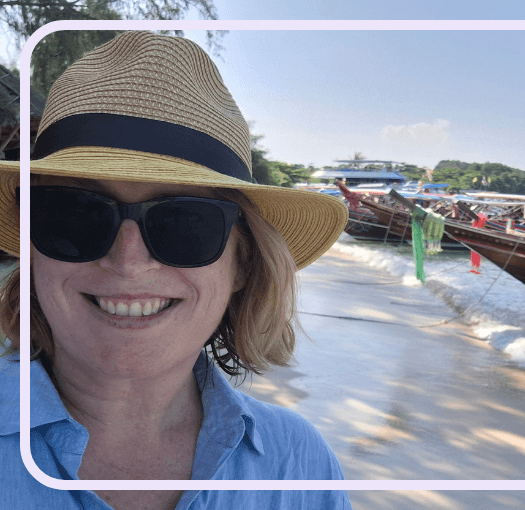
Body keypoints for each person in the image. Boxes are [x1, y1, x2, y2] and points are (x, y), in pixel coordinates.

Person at [0, 31, 352, 510]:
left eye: (185, 222)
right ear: (31, 246)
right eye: (74, 213)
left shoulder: (297, 467)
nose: (128, 261)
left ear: (244, 261)